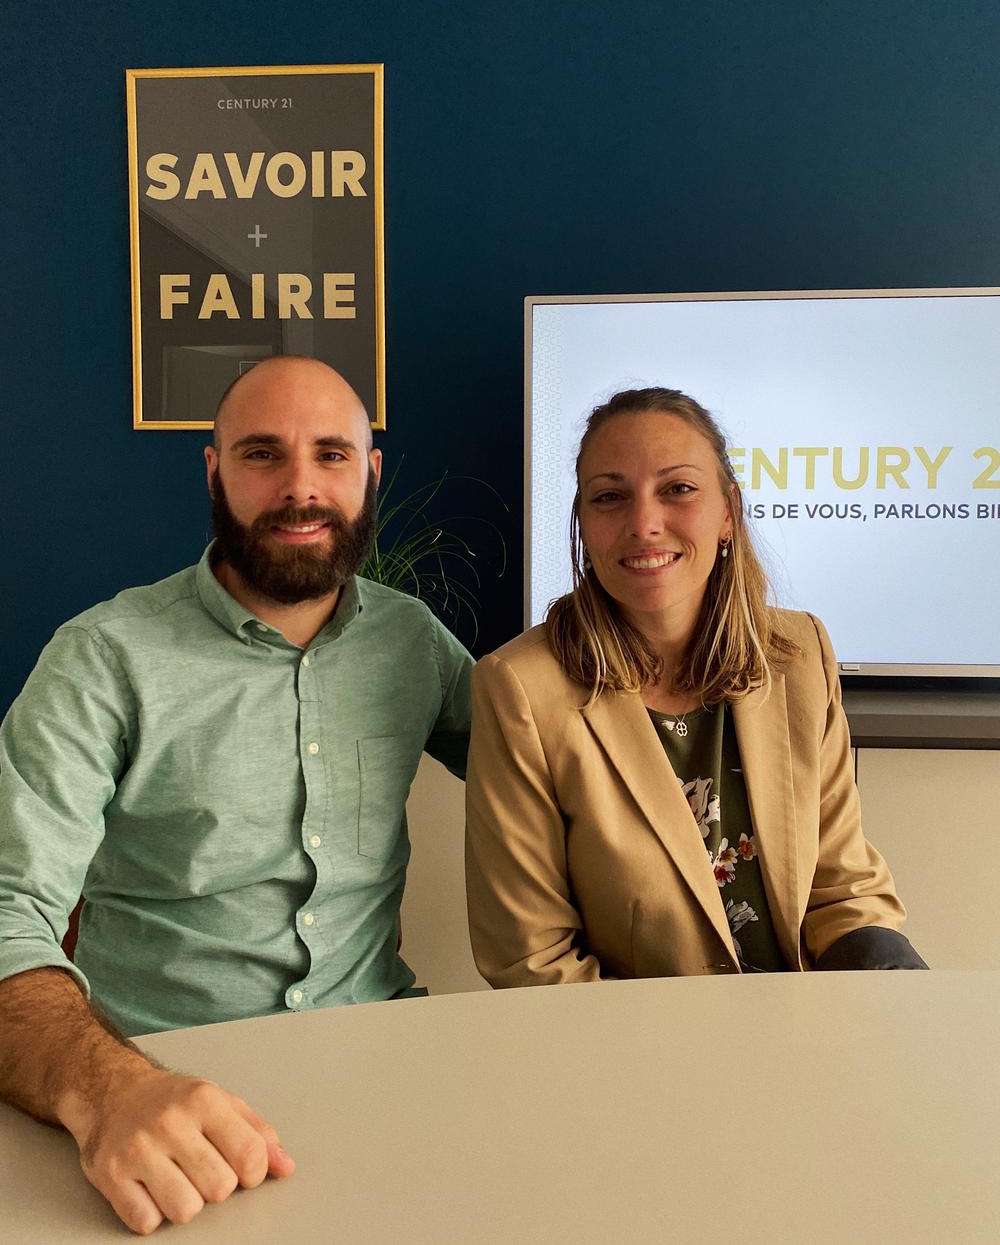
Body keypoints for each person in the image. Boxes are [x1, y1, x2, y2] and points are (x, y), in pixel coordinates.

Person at [0, 355, 473, 1234]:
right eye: (263, 454)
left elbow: (560, 781)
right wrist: (108, 1091)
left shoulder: (414, 641)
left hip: (386, 1071)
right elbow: (5, 908)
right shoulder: (104, 657)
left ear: (371, 474)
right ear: (214, 472)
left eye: (332, 455)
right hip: (153, 1085)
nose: (301, 486)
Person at [466, 387, 925, 988]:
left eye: (678, 489)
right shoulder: (521, 689)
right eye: (610, 497)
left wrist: (891, 982)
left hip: (807, 1037)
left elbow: (843, 888)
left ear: (728, 512)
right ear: (583, 523)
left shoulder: (801, 653)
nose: (645, 524)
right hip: (634, 1054)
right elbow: (534, 960)